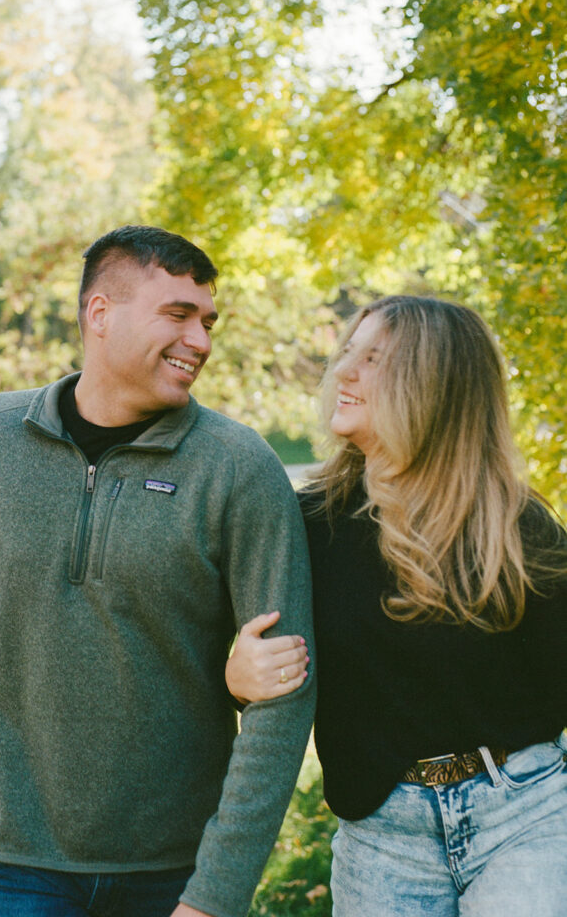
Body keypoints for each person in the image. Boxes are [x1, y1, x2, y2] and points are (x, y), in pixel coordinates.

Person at [0, 225, 316, 917]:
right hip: (9, 858)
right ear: (100, 314)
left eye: (208, 321)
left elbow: (285, 691)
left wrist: (217, 892)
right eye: (178, 315)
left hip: (173, 866)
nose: (202, 342)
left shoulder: (238, 469)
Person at [226, 295, 567, 916]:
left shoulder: (515, 526)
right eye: (346, 354)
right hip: (382, 835)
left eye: (374, 359)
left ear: (435, 384)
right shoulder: (307, 526)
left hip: (523, 814)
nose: (343, 373)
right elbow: (240, 650)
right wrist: (236, 673)